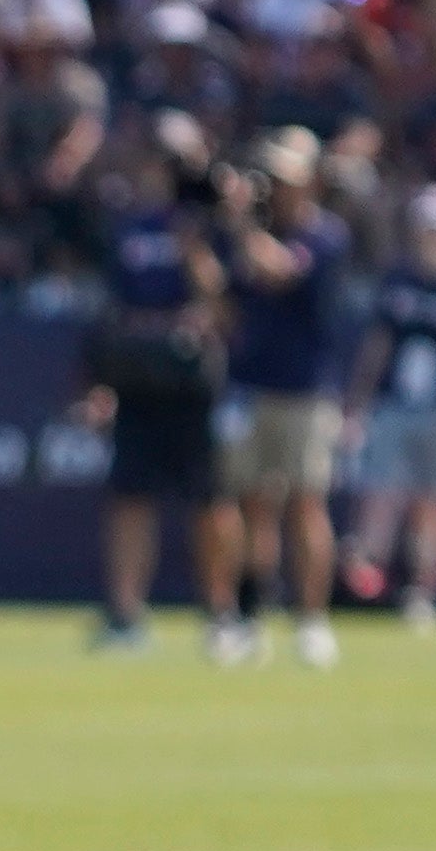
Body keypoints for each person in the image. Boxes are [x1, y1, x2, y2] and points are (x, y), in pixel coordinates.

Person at [206, 132, 349, 667]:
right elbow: (223, 304)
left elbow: (280, 271)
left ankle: (312, 621)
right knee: (248, 505)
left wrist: (240, 223)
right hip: (248, 385)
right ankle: (245, 615)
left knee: (308, 502)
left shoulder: (325, 235)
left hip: (305, 390)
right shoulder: (241, 235)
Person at [80, 139, 225, 652]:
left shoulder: (208, 221)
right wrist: (98, 381)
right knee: (129, 499)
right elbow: (110, 309)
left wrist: (195, 251)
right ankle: (125, 615)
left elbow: (221, 302)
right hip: (138, 379)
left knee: (209, 502)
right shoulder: (126, 228)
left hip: (193, 383)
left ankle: (221, 614)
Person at [339, 187, 436, 632]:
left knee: (432, 506)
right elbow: (377, 346)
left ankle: (421, 595)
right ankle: (365, 588)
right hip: (396, 405)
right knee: (381, 496)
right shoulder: (398, 280)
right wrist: (358, 403)